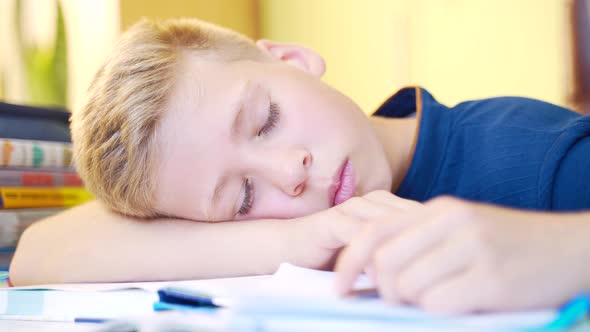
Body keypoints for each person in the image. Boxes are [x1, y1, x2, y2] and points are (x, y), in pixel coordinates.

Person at [9, 18, 590, 314]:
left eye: (265, 121)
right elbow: (40, 253)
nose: (288, 173)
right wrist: (300, 235)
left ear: (291, 60)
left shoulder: (539, 160)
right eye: (241, 199)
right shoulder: (298, 227)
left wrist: (563, 250)